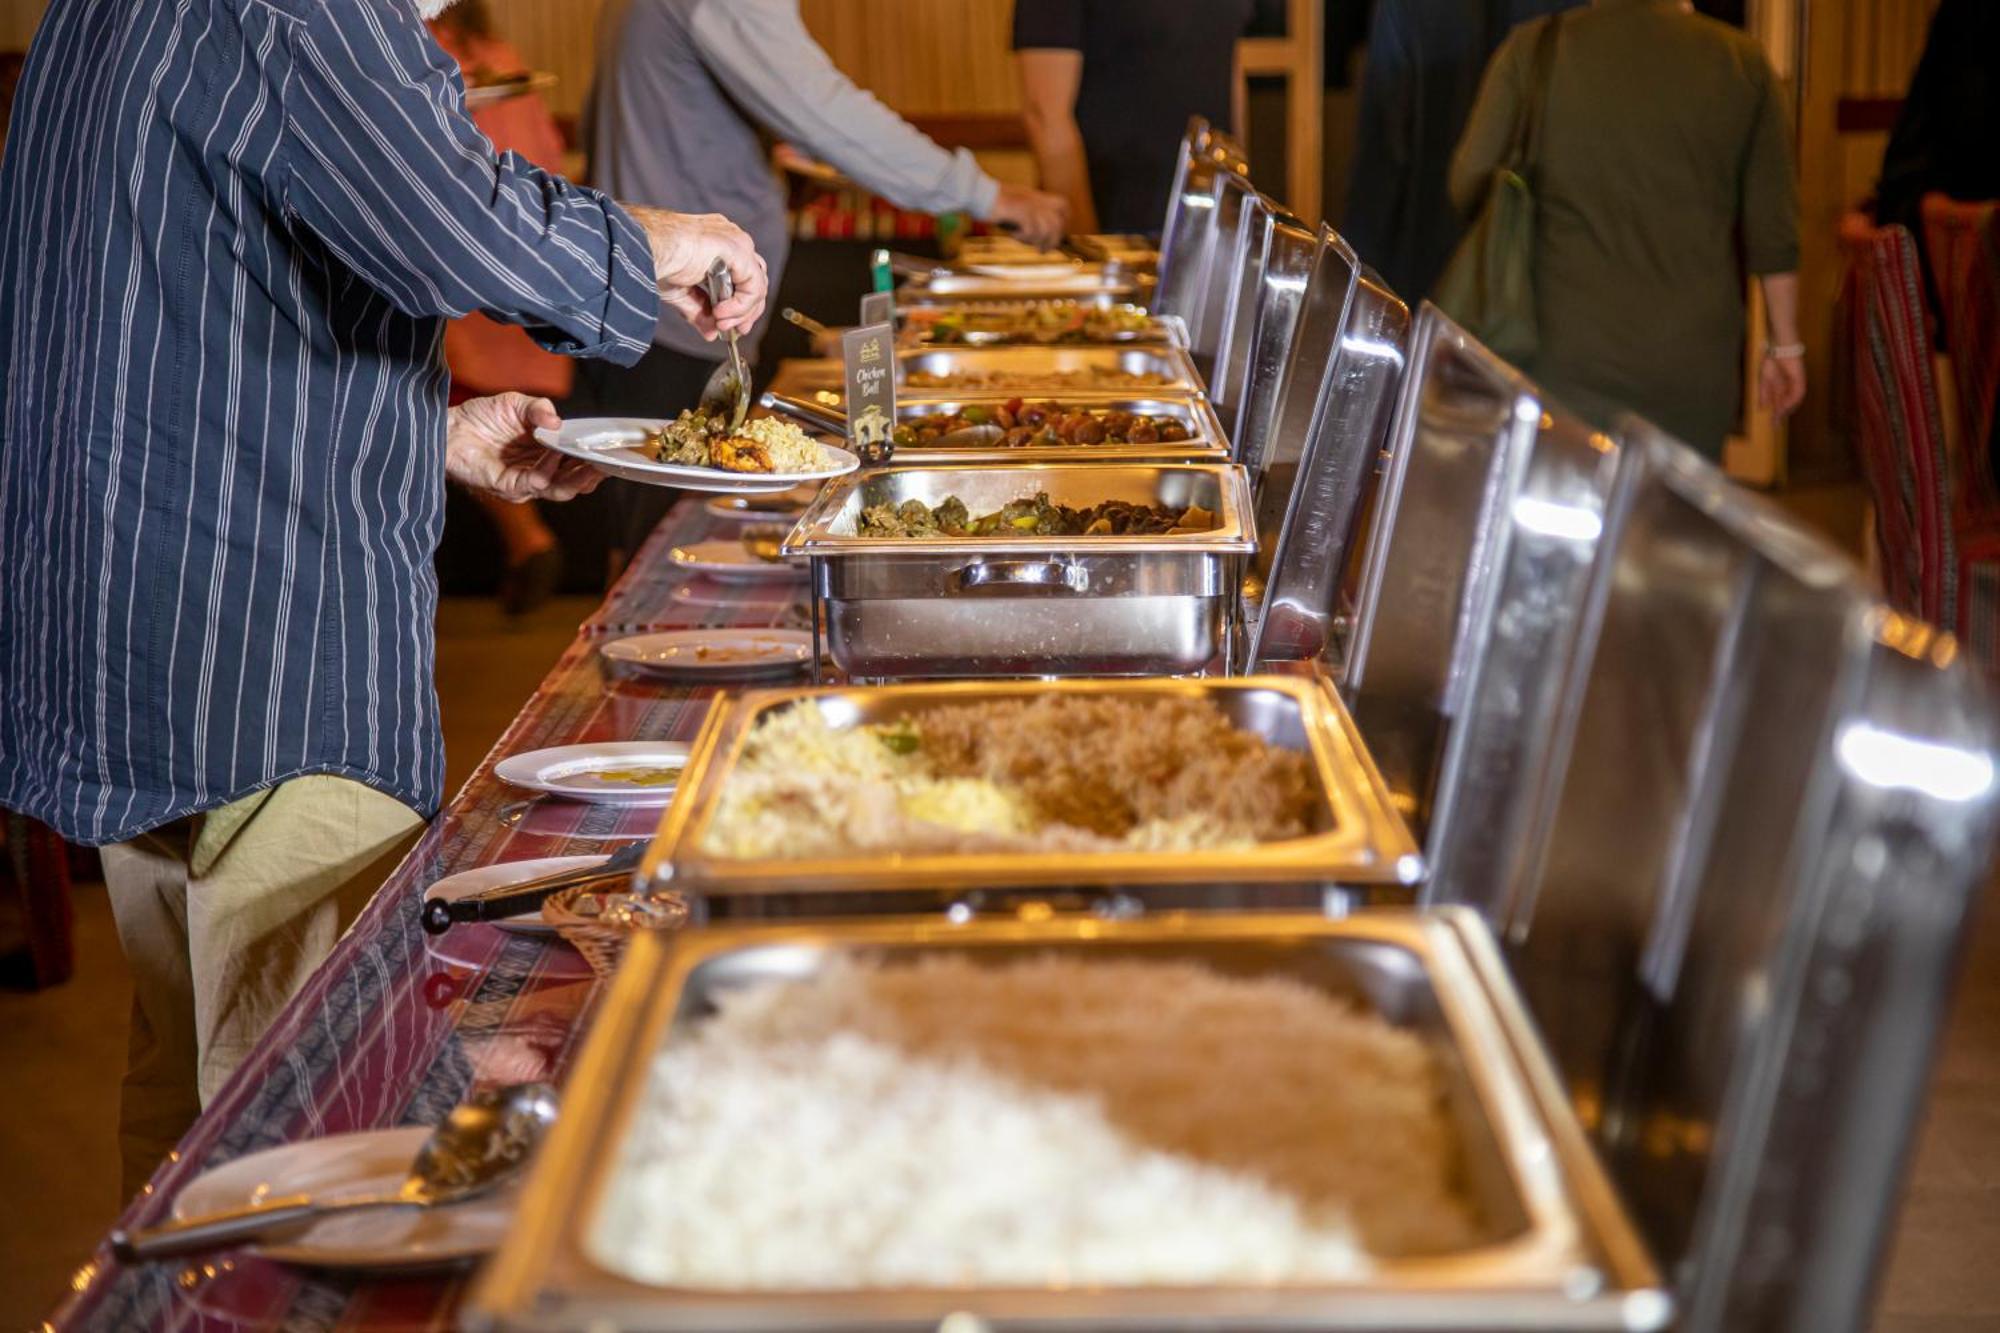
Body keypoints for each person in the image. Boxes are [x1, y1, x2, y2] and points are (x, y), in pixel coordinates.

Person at [0, 0, 768, 1199]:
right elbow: (456, 222)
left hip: (130, 623)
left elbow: (188, 317)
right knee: (312, 1114)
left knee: (192, 1097)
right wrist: (659, 238)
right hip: (265, 649)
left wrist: (425, 436)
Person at [584, 0, 1067, 559]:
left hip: (652, 296)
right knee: (666, 544)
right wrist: (989, 195)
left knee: (645, 528)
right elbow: (828, 113)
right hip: (680, 307)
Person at [1448, 0, 1805, 457]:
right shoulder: (1744, 63)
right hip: (1691, 365)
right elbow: (1773, 234)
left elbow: (1467, 183)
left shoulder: (1535, 49)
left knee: (1561, 513)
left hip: (1560, 355)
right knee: (1668, 522)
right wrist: (1785, 347)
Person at [429, 0, 581, 614]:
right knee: (486, 401)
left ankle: (527, 538)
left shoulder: (420, 52)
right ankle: (528, 536)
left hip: (463, 255)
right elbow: (549, 157)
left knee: (454, 388)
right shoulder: (500, 57)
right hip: (526, 253)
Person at [1342, 0, 1579, 302]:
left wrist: (1355, 296)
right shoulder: (1584, 16)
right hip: (1540, 289)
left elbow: (1377, 173)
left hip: (1427, 278)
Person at [1013, 0, 1256, 237]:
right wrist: (1087, 245)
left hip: (1206, 230)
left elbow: (1226, 66)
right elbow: (1043, 114)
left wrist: (1236, 205)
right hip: (1116, 227)